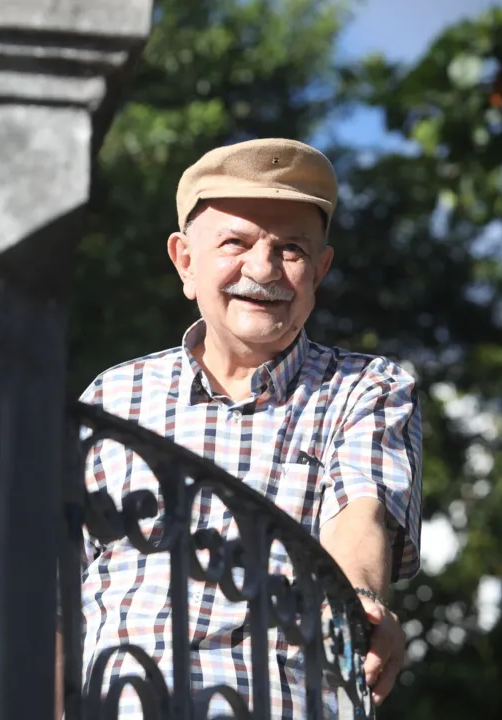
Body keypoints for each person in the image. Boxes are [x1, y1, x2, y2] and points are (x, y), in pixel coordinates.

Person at [58, 138, 422, 719]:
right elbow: (54, 591)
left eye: (291, 249)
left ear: (320, 270)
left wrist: (361, 601)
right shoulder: (111, 398)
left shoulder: (365, 388)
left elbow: (361, 514)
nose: (263, 269)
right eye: (236, 242)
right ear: (185, 261)